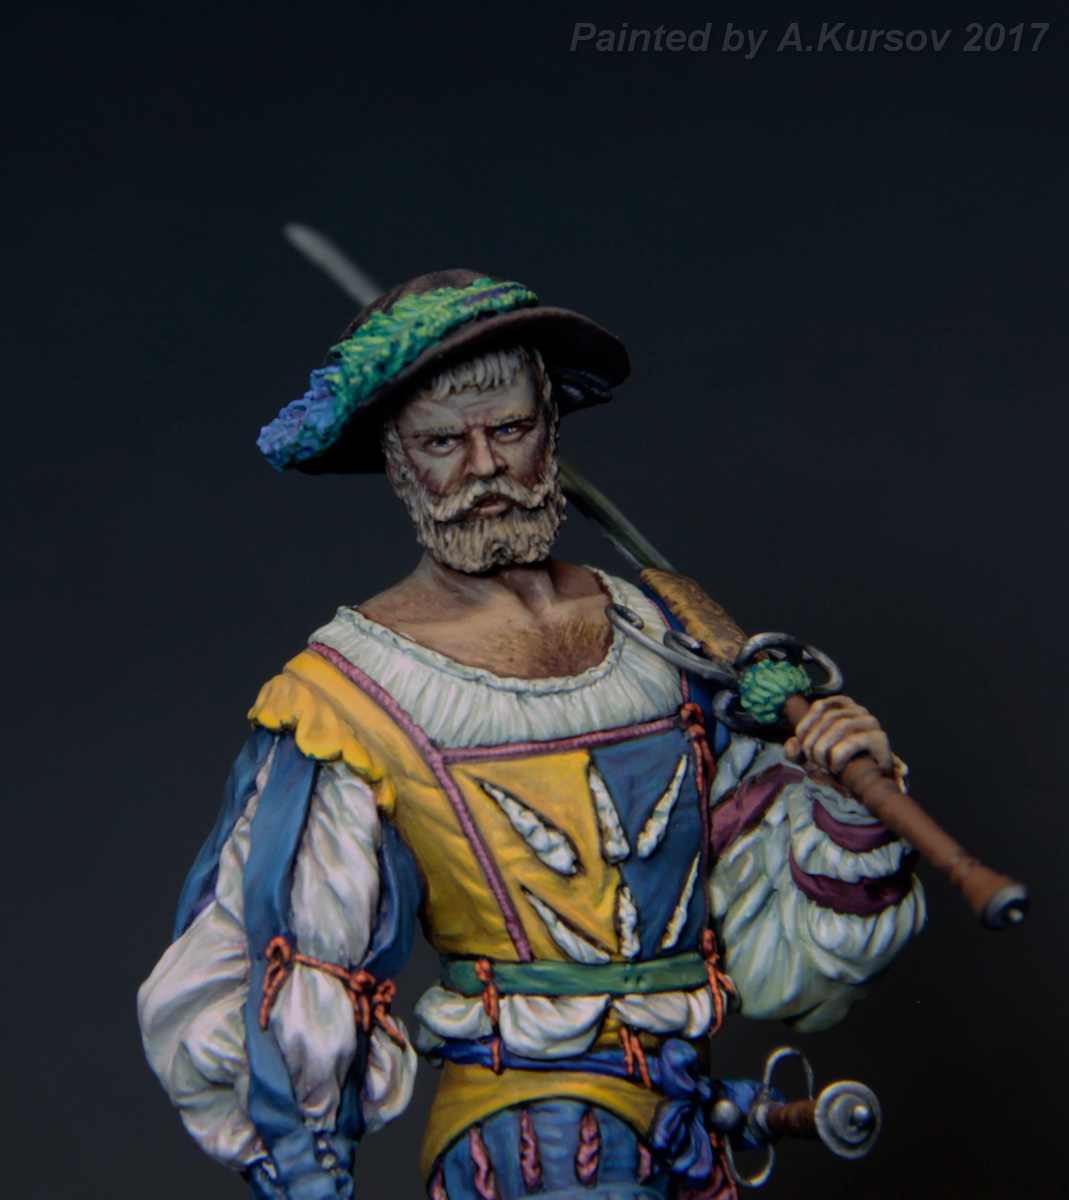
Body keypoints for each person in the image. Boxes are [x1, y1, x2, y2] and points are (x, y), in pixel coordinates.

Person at [138, 270, 925, 1200]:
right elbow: (272, 958)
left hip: (690, 1124)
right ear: (397, 462)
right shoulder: (347, 696)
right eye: (442, 442)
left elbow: (789, 962)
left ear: (550, 427)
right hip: (528, 1139)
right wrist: (303, 1157)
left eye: (509, 429)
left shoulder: (667, 638)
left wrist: (844, 802)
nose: (483, 466)